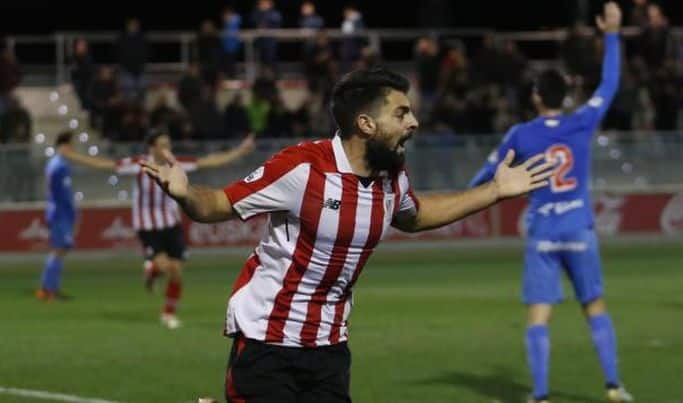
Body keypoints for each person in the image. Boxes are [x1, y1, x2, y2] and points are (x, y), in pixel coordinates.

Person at [140, 67, 553, 402]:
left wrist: (495, 191)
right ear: (366, 123)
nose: (414, 122)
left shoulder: (392, 177)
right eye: (402, 113)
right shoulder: (303, 167)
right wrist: (184, 193)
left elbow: (416, 215)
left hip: (330, 346)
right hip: (269, 339)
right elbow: (218, 204)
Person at [468, 3, 633, 403]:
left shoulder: (520, 134)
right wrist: (611, 33)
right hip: (579, 227)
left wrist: (460, 200)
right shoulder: (582, 121)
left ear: (537, 97)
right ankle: (613, 386)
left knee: (539, 315)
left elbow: (484, 178)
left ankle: (539, 395)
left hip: (542, 230)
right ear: (564, 97)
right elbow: (609, 84)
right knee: (594, 306)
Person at [62, 131, 255, 329]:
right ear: (152, 147)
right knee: (166, 267)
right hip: (148, 226)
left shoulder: (175, 164)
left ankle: (167, 312)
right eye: (162, 145)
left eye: (168, 144)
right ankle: (154, 269)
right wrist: (72, 155)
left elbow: (208, 161)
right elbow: (106, 165)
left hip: (171, 224)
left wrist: (239, 151)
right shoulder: (139, 164)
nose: (167, 149)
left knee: (177, 272)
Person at [36, 132, 77, 301]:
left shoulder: (59, 164)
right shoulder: (58, 165)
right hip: (60, 213)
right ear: (64, 146)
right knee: (58, 249)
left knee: (61, 249)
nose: (72, 148)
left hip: (60, 212)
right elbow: (56, 191)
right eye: (70, 145)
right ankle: (47, 289)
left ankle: (51, 288)